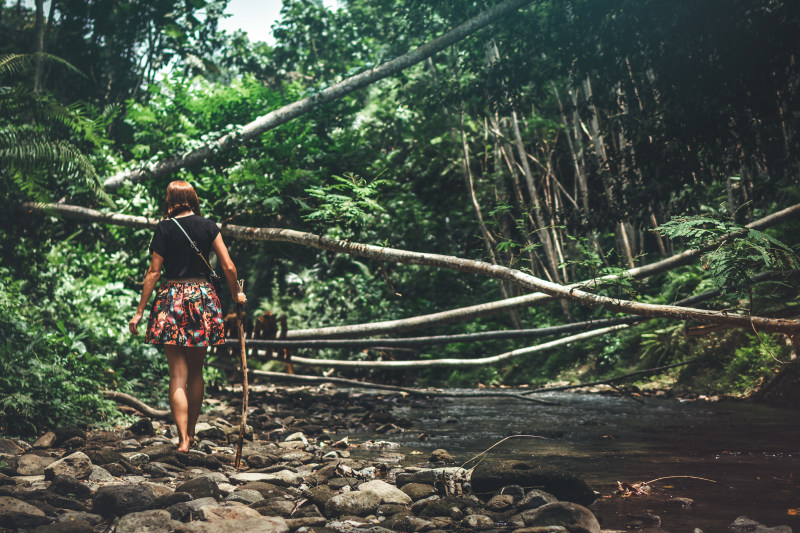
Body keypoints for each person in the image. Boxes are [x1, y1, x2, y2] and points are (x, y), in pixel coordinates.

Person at [128, 180, 246, 452]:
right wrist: (236, 294)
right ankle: (191, 433)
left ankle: (182, 439)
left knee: (177, 375)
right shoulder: (208, 226)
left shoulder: (164, 227)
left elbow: (154, 273)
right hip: (202, 298)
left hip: (171, 299)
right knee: (196, 371)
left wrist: (139, 312)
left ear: (170, 200)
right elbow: (228, 265)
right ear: (193, 199)